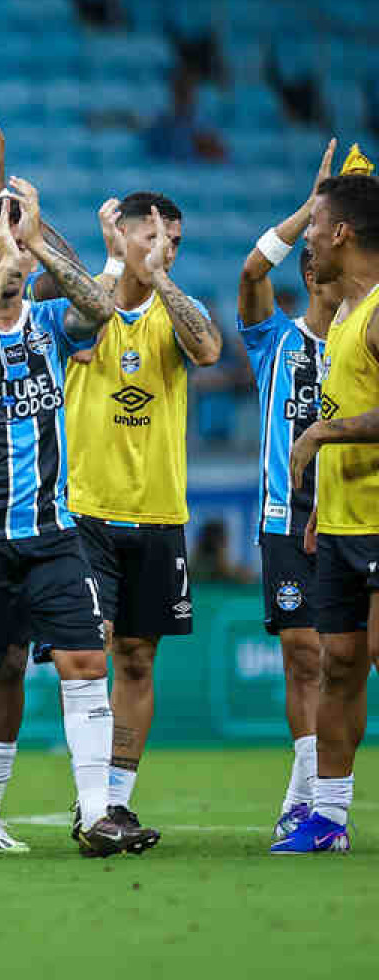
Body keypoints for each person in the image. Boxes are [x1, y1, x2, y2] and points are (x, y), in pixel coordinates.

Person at [0, 182, 150, 859]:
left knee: (85, 660)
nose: (9, 254)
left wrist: (42, 240)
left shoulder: (49, 326)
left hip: (51, 533)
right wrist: (2, 273)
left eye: (15, 244)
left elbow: (100, 307)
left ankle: (95, 813)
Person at [65, 191, 223, 843]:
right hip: (87, 508)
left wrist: (159, 276)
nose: (167, 247)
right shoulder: (82, 303)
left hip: (159, 510)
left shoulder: (178, 309)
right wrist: (112, 264)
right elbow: (79, 328)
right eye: (153, 235)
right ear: (120, 235)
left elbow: (208, 350)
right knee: (91, 654)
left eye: (177, 240)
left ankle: (117, 801)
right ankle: (91, 799)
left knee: (137, 657)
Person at [274, 172, 379, 853]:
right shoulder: (346, 311)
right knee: (339, 663)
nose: (308, 236)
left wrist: (321, 435)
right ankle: (328, 819)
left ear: (340, 232)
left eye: (314, 224)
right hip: (341, 521)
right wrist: (323, 507)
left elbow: (341, 422)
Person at [238, 142, 340, 841]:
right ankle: (304, 795)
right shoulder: (274, 337)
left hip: (349, 518)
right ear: (310, 270)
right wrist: (313, 208)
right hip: (285, 519)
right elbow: (250, 269)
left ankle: (315, 795)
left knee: (341, 661)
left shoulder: (365, 342)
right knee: (304, 655)